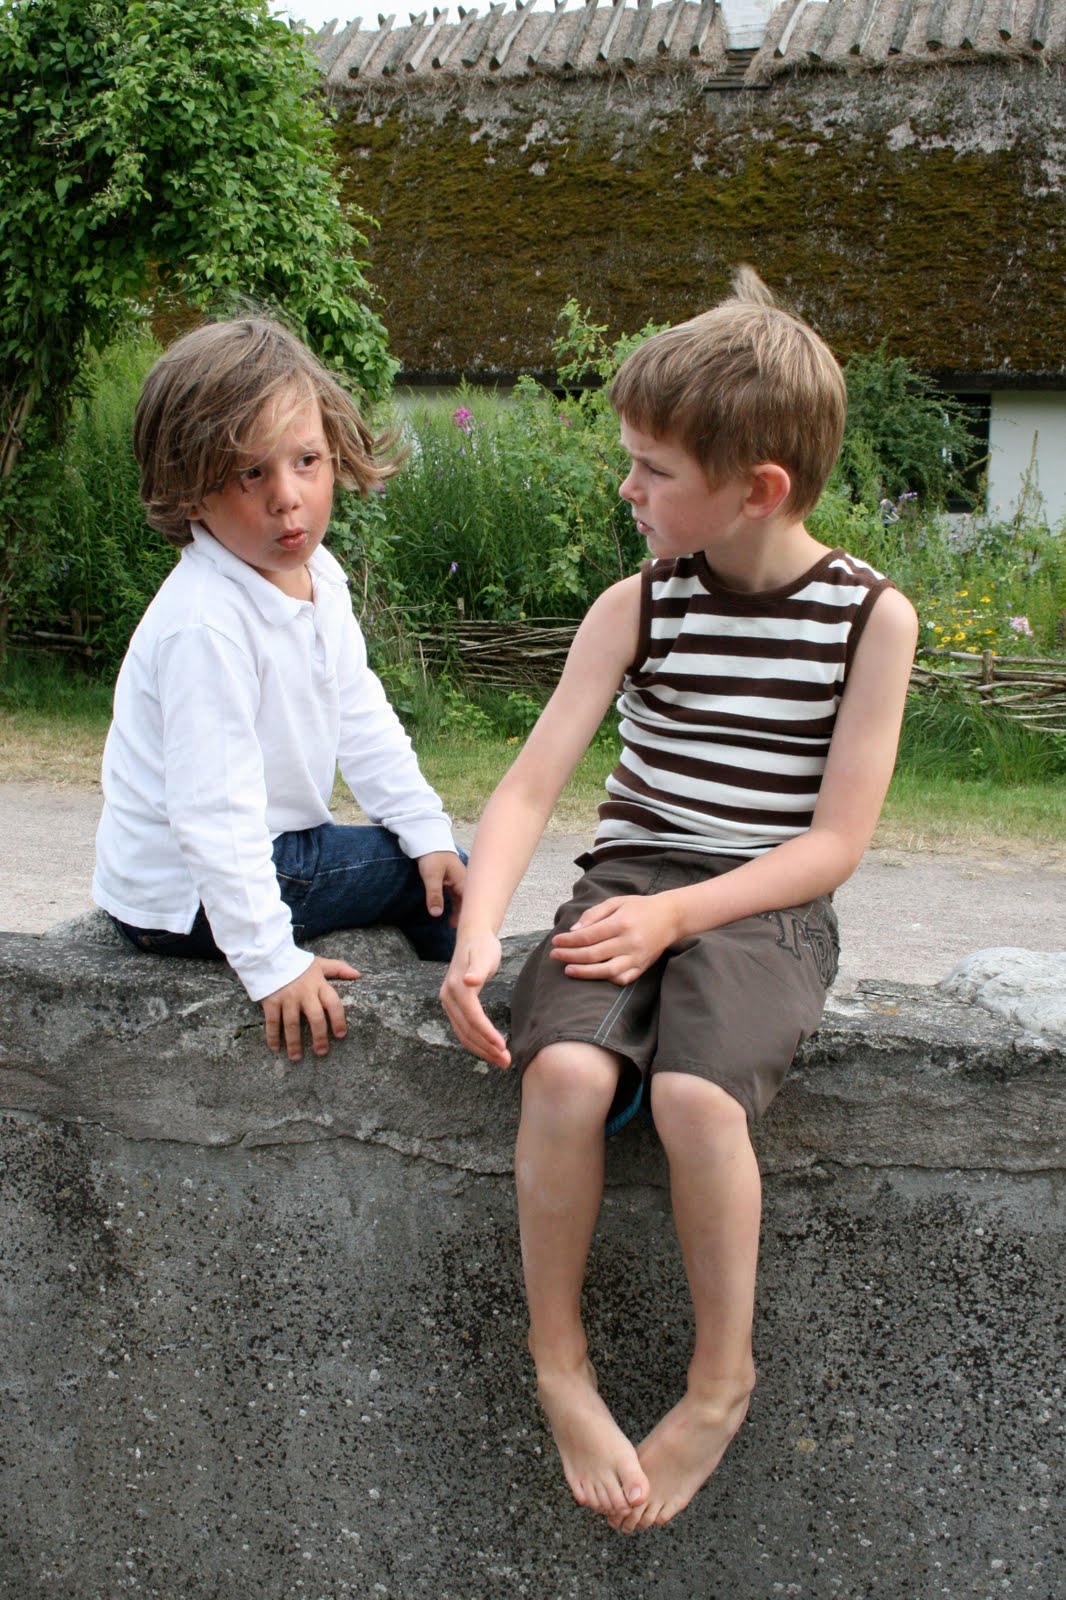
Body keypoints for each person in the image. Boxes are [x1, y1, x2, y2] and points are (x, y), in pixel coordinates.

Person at [439, 269, 918, 1533]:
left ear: (756, 488)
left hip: (765, 900)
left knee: (698, 1099)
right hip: (632, 877)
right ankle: (559, 1361)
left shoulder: (871, 619)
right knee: (561, 1075)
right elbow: (532, 781)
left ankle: (719, 1383)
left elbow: (834, 845)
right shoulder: (640, 602)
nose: (628, 489)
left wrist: (683, 918)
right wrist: (480, 930)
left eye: (652, 469)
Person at [94, 316, 464, 1061]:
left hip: (254, 856)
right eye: (250, 474)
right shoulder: (207, 623)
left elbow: (360, 717)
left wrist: (424, 826)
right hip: (188, 895)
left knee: (438, 856)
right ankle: (456, 1036)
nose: (288, 498)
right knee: (444, 886)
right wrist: (271, 962)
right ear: (189, 493)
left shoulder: (317, 575)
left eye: (306, 461)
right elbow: (214, 814)